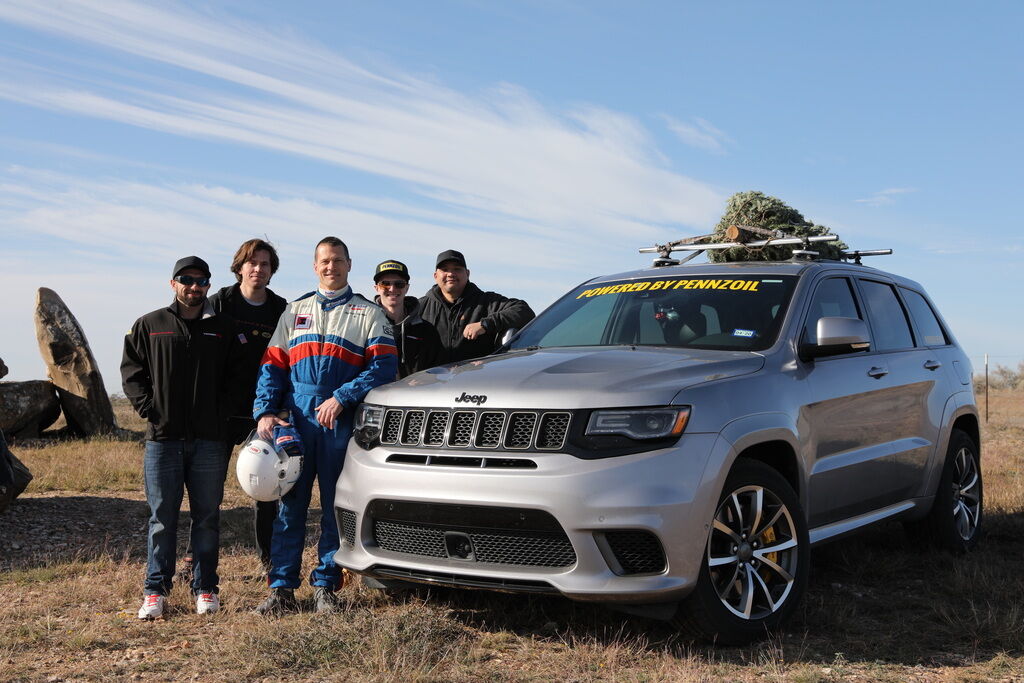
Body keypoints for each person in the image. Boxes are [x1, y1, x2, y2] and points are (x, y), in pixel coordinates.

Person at [253, 236, 397, 614]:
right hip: (298, 420)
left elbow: (384, 367)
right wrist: (266, 411)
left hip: (339, 419)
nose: (330, 267)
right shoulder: (294, 310)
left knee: (335, 506)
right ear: (315, 267)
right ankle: (282, 588)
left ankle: (326, 587)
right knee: (290, 504)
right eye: (324, 261)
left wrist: (343, 396)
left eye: (337, 260)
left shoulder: (369, 313)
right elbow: (272, 366)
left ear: (349, 265)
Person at [121, 256, 240, 619]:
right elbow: (132, 371)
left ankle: (205, 588)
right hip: (163, 439)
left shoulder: (222, 328)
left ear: (207, 285)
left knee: (206, 516)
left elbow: (235, 380)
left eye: (201, 280)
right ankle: (155, 591)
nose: (194, 286)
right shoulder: (150, 324)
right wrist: (149, 409)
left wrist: (223, 421)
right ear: (173, 283)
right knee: (162, 518)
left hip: (209, 441)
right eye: (186, 279)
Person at [181, 239, 287, 576]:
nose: (258, 269)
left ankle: (270, 562)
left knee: (267, 489)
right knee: (208, 493)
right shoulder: (218, 304)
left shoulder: (281, 309)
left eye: (265, 264)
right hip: (219, 411)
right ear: (239, 267)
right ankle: (192, 558)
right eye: (252, 263)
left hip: (264, 412)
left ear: (272, 271)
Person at [419, 249, 535, 363]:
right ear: (435, 276)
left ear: (467, 273)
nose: (450, 274)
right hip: (431, 380)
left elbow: (524, 311)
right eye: (445, 270)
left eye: (457, 269)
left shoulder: (487, 302)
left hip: (475, 379)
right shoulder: (419, 307)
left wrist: (486, 324)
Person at [371, 259, 443, 378]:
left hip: (416, 395)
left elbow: (438, 372)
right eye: (385, 283)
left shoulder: (426, 330)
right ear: (377, 288)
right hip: (376, 395)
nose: (392, 289)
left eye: (399, 284)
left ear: (407, 288)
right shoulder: (366, 326)